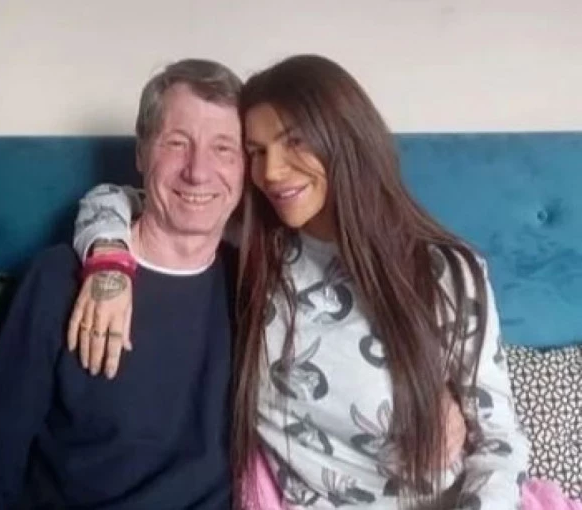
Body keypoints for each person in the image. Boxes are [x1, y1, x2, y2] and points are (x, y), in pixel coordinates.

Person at [67, 54, 529, 509]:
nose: (272, 171)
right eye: (256, 151)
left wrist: (424, 382)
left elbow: (499, 445)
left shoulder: (445, 273)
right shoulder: (254, 249)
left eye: (295, 142)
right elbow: (124, 200)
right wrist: (110, 262)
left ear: (345, 140)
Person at [0, 58, 246, 509]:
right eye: (177, 143)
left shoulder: (256, 286)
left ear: (245, 167)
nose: (198, 171)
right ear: (141, 153)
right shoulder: (58, 279)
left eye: (223, 148)